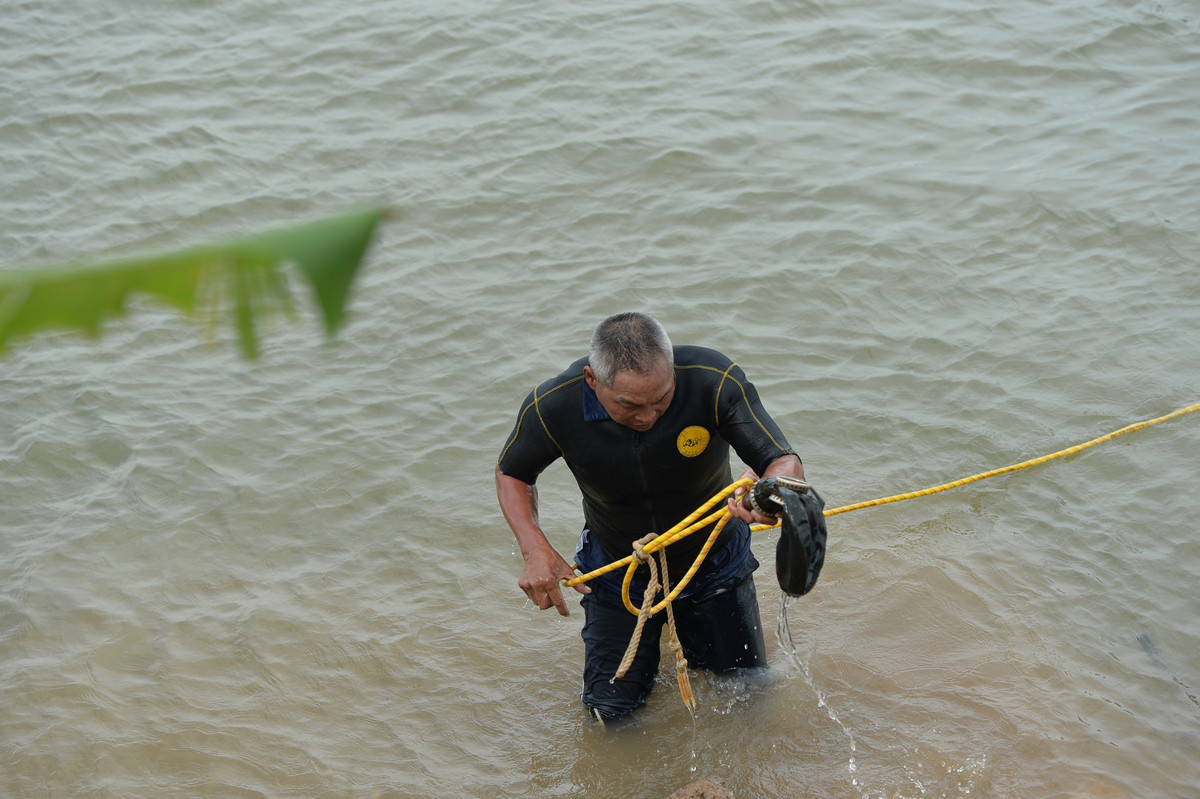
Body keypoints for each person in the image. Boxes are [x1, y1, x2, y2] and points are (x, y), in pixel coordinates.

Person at [494, 312, 805, 722]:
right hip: (617, 567)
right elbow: (512, 471)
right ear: (592, 380)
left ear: (672, 369)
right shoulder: (554, 405)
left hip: (712, 559)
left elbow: (783, 461)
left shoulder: (713, 381)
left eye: (661, 399)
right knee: (611, 715)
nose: (647, 417)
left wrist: (770, 495)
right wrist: (533, 546)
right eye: (628, 405)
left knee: (746, 693)